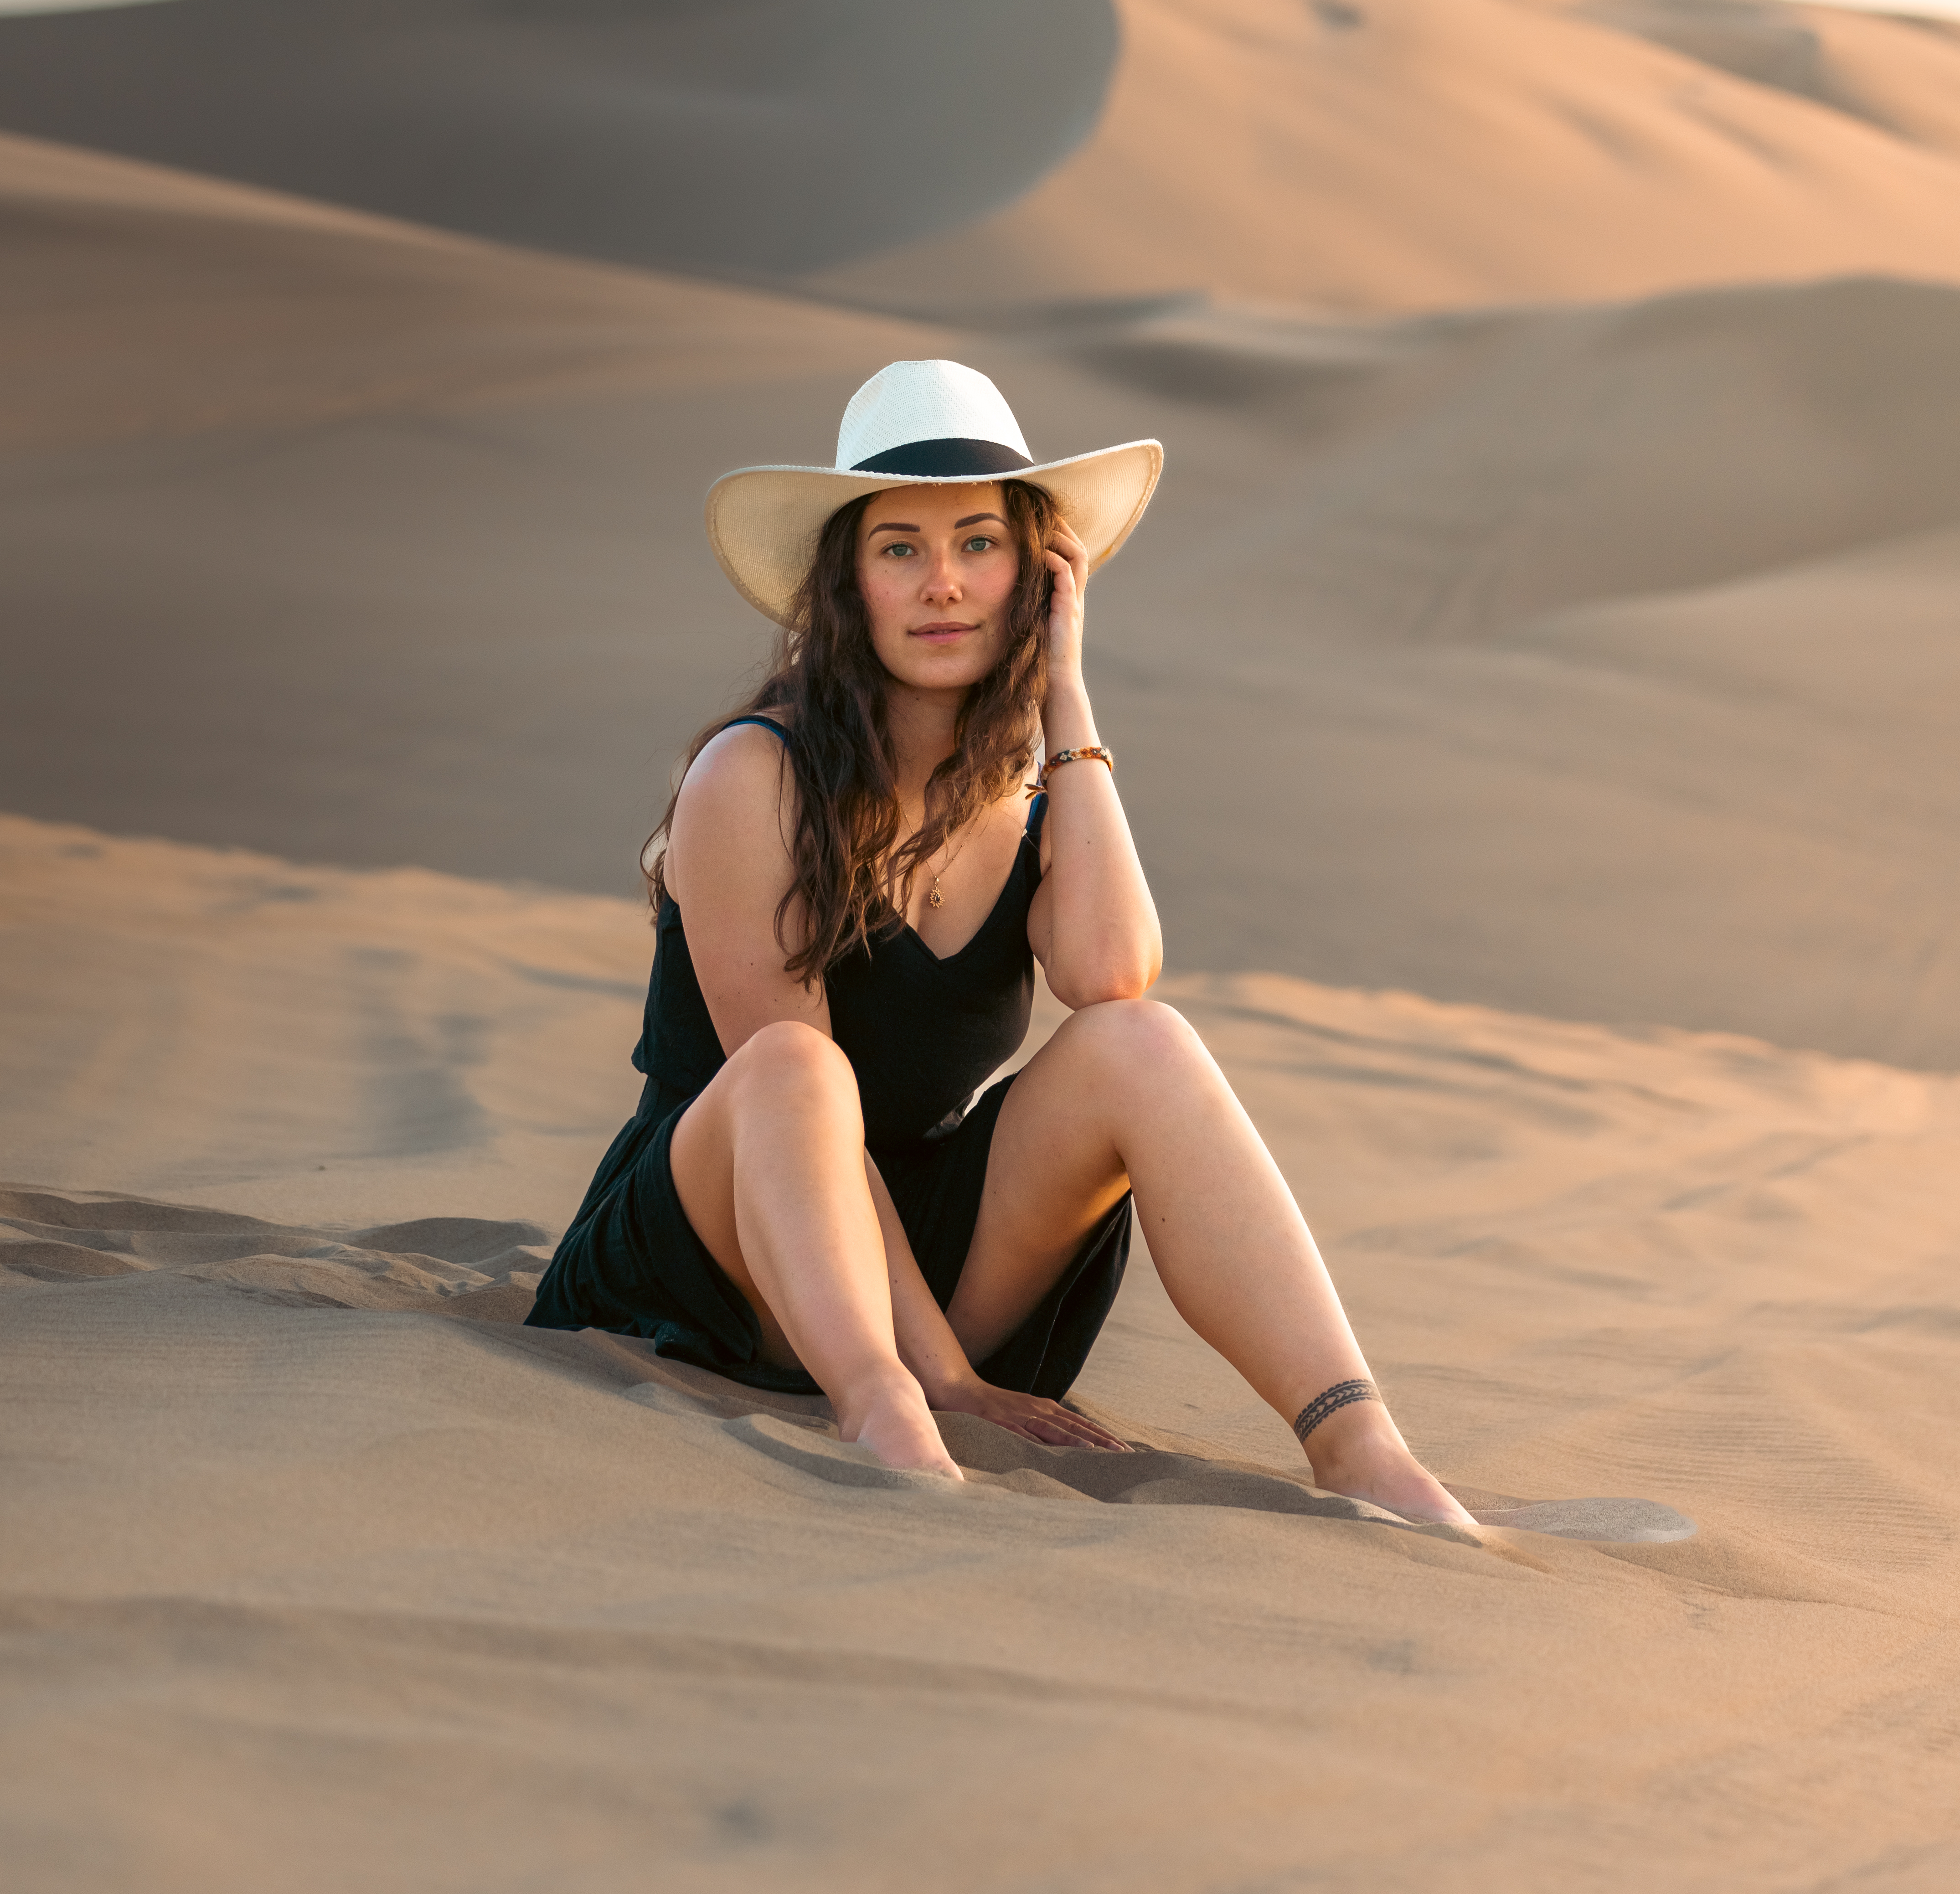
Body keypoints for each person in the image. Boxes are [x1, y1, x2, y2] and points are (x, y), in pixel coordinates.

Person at [529, 360, 1470, 1518]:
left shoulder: (1027, 800)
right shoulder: (752, 775)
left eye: (979, 544)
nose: (943, 585)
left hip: (918, 1264)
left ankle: (1361, 1448)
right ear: (846, 583)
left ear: (1036, 574)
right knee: (794, 1065)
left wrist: (1065, 699)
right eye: (898, 550)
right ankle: (885, 1419)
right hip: (714, 1261)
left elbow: (1109, 975)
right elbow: (786, 1098)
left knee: (1143, 1042)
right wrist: (931, 1375)